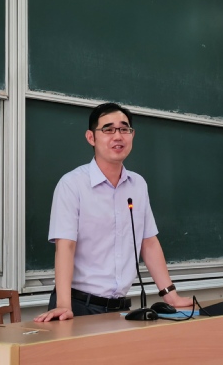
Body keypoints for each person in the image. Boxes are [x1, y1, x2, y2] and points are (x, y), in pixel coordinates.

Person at [35, 102, 192, 322]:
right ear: (91, 137)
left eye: (124, 129)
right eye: (108, 129)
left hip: (119, 310)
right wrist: (63, 305)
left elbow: (148, 242)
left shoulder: (138, 185)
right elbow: (65, 246)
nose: (117, 136)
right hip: (78, 306)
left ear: (132, 135)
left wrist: (171, 296)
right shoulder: (72, 184)